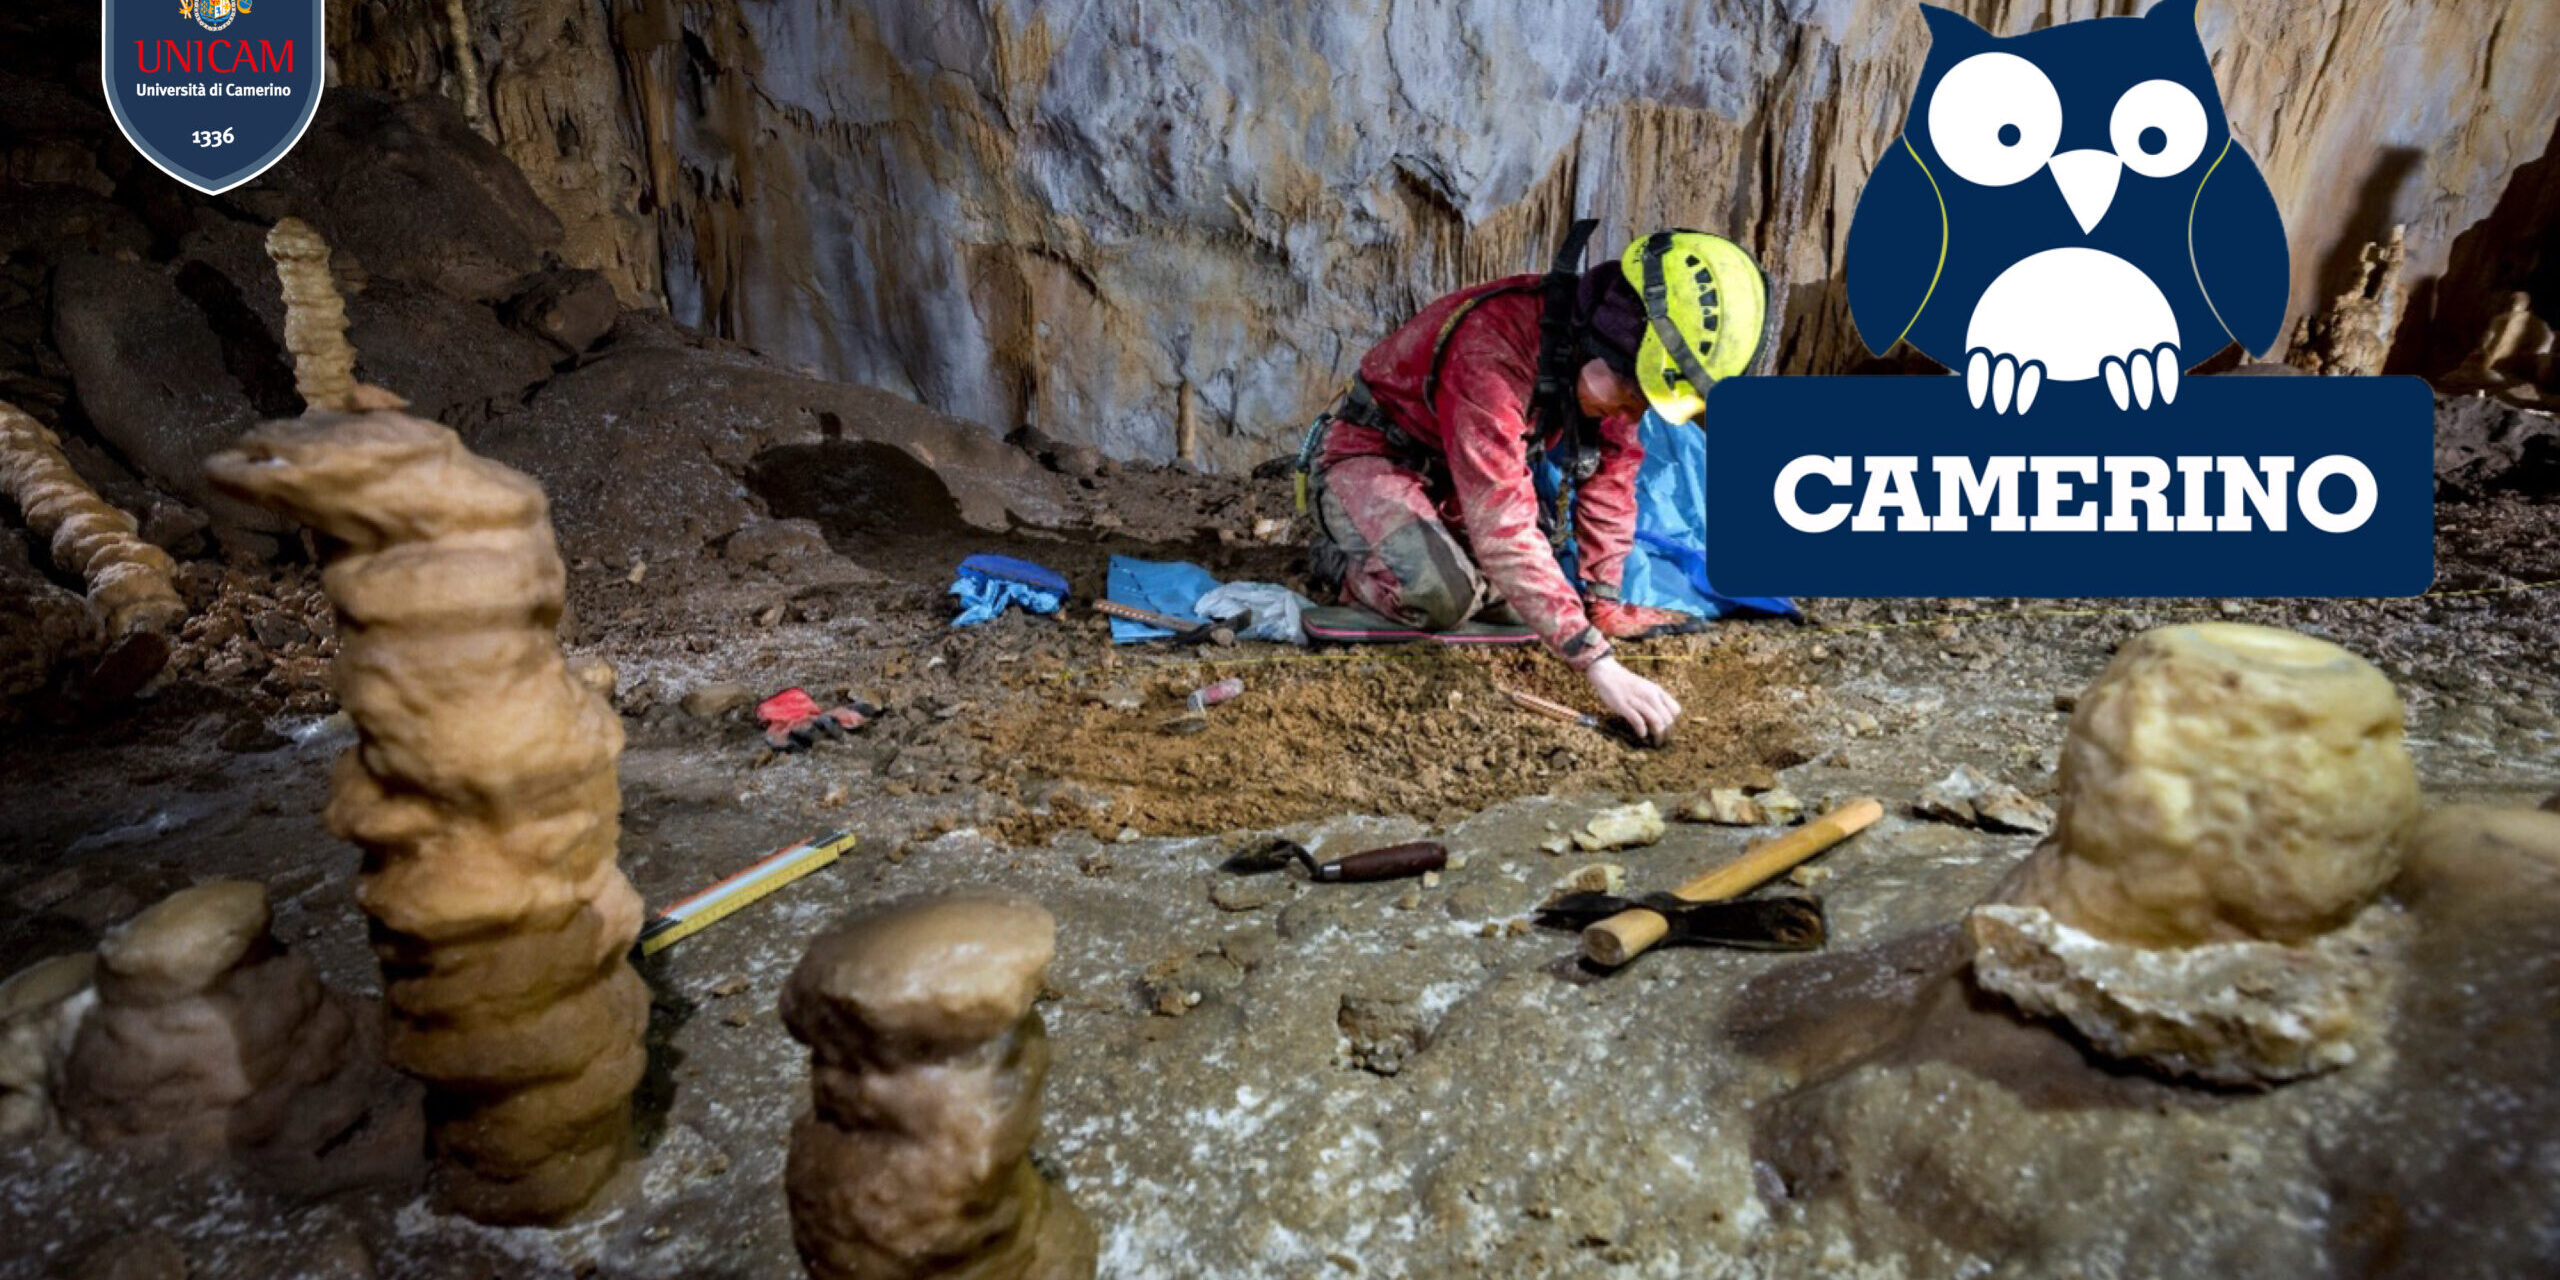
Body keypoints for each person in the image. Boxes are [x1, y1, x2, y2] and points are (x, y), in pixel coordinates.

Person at [1300, 226, 1768, 744]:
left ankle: (1425, 559)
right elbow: (1502, 522)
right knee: (1442, 597)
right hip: (1373, 463)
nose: (1631, 411)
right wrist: (1597, 664)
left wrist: (1603, 602)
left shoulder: (1607, 363)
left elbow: (1612, 478)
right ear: (1602, 344)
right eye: (1632, 395)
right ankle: (1343, 563)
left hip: (1457, 483)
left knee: (1523, 596)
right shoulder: (1492, 350)